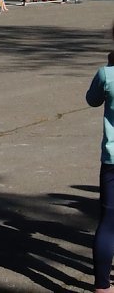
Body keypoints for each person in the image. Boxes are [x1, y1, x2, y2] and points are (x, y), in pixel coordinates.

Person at [85, 36, 114, 293]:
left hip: (112, 158)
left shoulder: (107, 74)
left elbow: (92, 100)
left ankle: (102, 286)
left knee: (108, 220)